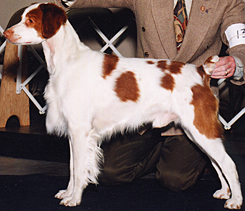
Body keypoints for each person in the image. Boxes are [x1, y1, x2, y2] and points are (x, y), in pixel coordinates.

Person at [55, 0, 245, 191]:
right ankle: (160, 154)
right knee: (109, 172)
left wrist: (236, 63)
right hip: (142, 104)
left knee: (175, 179)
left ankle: (194, 158)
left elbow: (241, 44)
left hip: (192, 98)